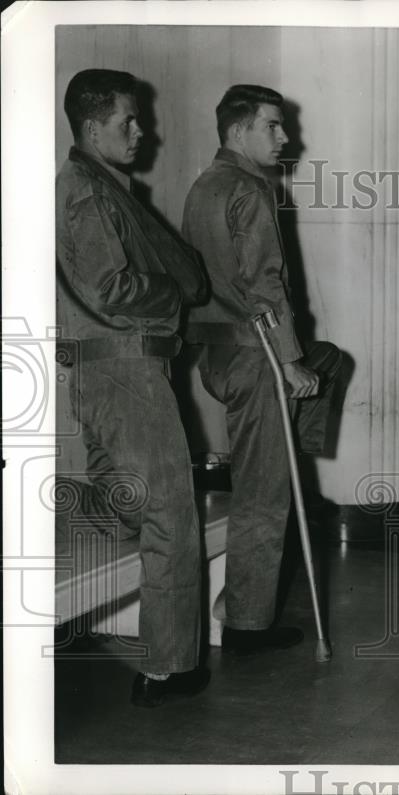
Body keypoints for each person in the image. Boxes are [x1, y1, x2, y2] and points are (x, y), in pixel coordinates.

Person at [56, 69, 210, 707]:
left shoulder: (93, 185)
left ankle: (51, 501)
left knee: (130, 505)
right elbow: (107, 288)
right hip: (126, 372)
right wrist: (172, 293)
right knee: (171, 516)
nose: (142, 131)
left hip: (104, 372)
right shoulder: (86, 192)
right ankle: (170, 668)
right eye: (128, 120)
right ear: (92, 128)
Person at [183, 85, 341, 657]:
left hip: (218, 353)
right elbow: (265, 286)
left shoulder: (204, 185)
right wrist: (291, 360)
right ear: (238, 131)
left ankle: (296, 439)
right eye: (273, 126)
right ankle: (249, 625)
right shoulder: (250, 189)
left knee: (328, 370)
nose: (284, 138)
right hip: (257, 354)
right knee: (264, 492)